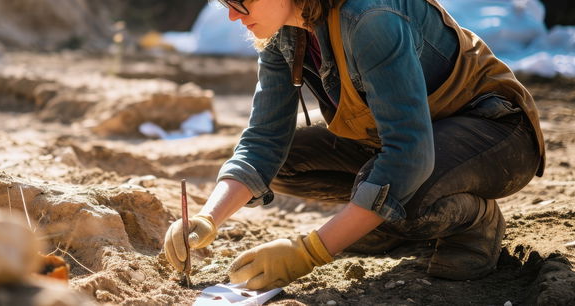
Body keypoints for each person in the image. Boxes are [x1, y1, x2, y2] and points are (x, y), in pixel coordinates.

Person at [163, 0, 545, 291]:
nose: (233, 15)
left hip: (497, 133)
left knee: (402, 192)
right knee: (286, 161)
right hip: (413, 138)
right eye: (226, 3)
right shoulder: (283, 31)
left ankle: (474, 221)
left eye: (240, 2)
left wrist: (309, 252)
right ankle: (382, 223)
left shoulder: (370, 18)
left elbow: (408, 157)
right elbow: (264, 139)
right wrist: (206, 218)